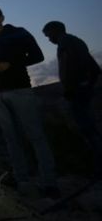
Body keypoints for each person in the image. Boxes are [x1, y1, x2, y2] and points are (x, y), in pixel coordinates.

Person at [0, 4, 59, 198]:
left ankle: (49, 182)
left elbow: (37, 56)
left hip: (19, 90)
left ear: (1, 17)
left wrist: (11, 64)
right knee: (11, 139)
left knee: (35, 136)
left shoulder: (18, 33)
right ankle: (22, 179)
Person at [43, 21, 102, 178]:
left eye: (49, 35)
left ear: (56, 31)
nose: (49, 39)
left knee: (87, 127)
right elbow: (93, 67)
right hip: (81, 89)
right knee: (88, 126)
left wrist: (75, 87)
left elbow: (74, 67)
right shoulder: (74, 41)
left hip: (78, 90)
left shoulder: (67, 43)